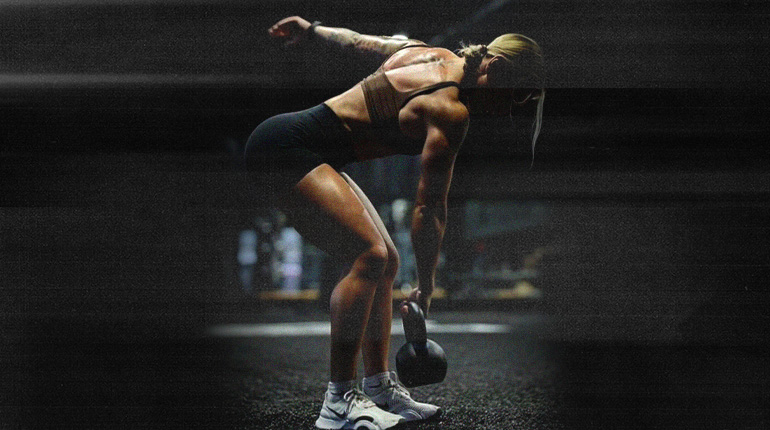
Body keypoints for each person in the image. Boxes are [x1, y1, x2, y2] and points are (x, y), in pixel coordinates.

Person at [246, 16, 544, 430]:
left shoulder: (425, 51)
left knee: (385, 260)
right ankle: (338, 401)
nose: (512, 108)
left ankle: (379, 386)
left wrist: (311, 31)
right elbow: (429, 208)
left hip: (297, 143)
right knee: (369, 255)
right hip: (285, 148)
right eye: (518, 95)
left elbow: (356, 41)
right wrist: (427, 285)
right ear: (496, 67)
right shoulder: (450, 109)